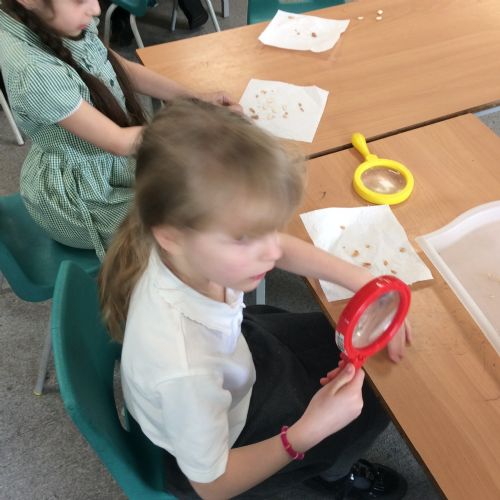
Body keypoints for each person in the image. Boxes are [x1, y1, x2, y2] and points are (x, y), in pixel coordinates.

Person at [99, 98, 412, 499]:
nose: (271, 251)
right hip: (216, 450)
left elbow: (278, 247)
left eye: (269, 229)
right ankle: (332, 475)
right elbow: (212, 486)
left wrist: (365, 282)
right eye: (246, 238)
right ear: (171, 234)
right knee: (375, 401)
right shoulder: (184, 365)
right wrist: (309, 430)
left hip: (236, 359)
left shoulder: (186, 246)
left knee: (359, 358)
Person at [0, 0, 239, 260]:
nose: (96, 9)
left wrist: (193, 99)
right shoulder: (33, 71)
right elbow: (119, 141)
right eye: (79, 0)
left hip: (107, 164)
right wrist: (200, 120)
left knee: (213, 188)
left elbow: (118, 66)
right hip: (79, 198)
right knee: (202, 222)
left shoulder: (61, 20)